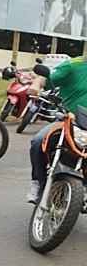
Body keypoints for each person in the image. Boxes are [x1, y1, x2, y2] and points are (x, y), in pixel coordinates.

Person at [26, 56, 87, 201]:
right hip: (67, 120)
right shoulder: (73, 65)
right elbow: (45, 78)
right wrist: (36, 84)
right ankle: (38, 182)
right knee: (38, 141)